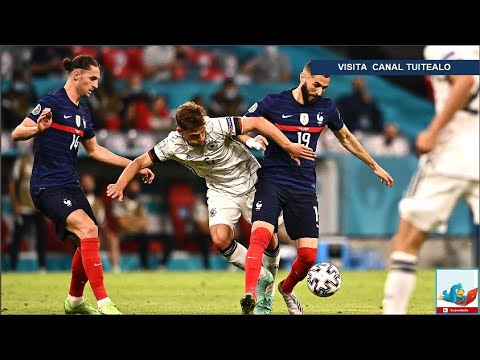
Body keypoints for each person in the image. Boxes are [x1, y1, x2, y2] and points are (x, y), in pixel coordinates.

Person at [106, 101, 316, 315]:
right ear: (180, 132)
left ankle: (267, 294)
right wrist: (120, 184)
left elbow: (259, 121)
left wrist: (281, 145)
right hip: (219, 189)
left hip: (251, 180)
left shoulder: (216, 125)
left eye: (202, 132)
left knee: (268, 237)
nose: (201, 138)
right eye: (194, 136)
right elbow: (139, 161)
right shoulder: (172, 144)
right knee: (219, 238)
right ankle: (263, 276)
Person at [240, 60, 394, 315]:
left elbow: (345, 137)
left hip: (303, 187)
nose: (319, 91)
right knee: (260, 237)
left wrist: (374, 165)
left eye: (324, 87)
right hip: (273, 181)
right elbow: (241, 126)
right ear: (303, 76)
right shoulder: (274, 102)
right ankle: (250, 294)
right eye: (316, 84)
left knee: (309, 257)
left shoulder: (326, 107)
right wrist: (253, 140)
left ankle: (286, 289)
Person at [11, 54, 155, 315]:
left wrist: (134, 165)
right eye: (93, 78)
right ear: (76, 75)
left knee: (89, 236)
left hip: (71, 184)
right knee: (88, 229)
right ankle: (104, 303)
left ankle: (74, 301)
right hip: (47, 186)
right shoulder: (51, 102)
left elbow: (96, 151)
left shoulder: (82, 111)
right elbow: (17, 133)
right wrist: (37, 129)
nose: (96, 85)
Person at [382, 45, 479, 314]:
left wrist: (434, 131)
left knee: (406, 240)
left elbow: (465, 81)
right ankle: (462, 304)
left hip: (452, 155)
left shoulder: (441, 49)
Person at [8, 142, 47, 272]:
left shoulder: (44, 163)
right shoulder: (22, 161)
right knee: (18, 237)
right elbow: (13, 182)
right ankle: (13, 267)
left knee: (42, 237)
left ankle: (42, 267)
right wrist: (15, 203)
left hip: (39, 207)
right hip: (23, 207)